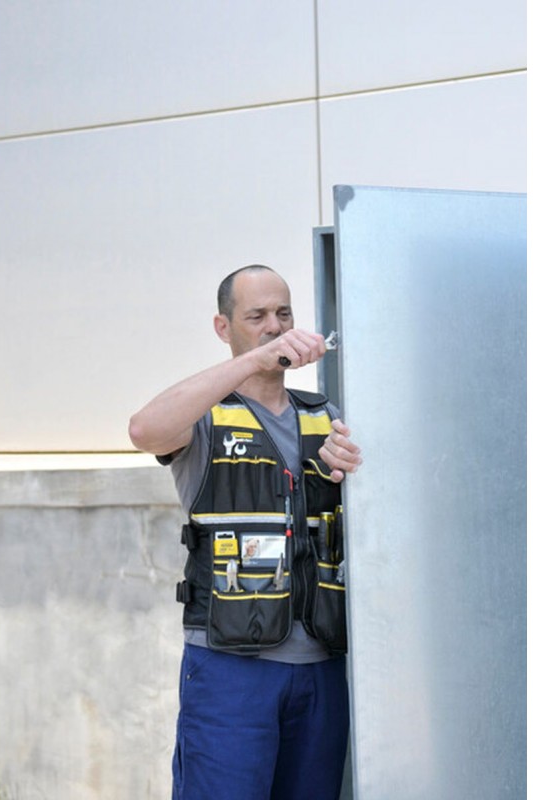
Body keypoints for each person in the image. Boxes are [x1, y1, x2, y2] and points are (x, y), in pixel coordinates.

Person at [129, 264, 362, 800]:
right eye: (256, 316)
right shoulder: (205, 417)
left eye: (283, 314)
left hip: (321, 669)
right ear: (223, 327)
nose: (274, 326)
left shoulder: (326, 416)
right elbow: (144, 429)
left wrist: (349, 462)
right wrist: (254, 361)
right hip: (231, 672)